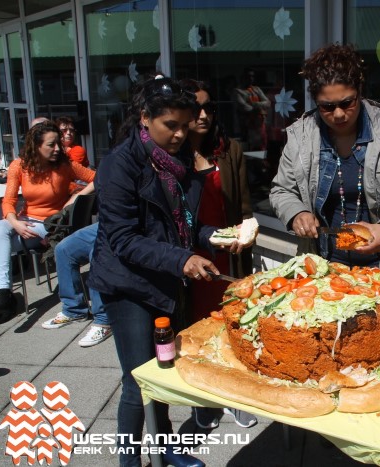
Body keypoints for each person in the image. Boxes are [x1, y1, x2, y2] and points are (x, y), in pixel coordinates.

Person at [88, 75, 220, 467]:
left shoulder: (178, 161)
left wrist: (219, 237)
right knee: (137, 382)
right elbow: (124, 239)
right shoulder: (118, 166)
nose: (180, 134)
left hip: (164, 280)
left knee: (162, 375)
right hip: (127, 286)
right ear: (145, 118)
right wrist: (182, 259)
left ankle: (166, 451)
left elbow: (184, 226)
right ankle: (129, 462)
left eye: (186, 124)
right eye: (171, 125)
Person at [269, 43, 380, 270]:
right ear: (315, 101)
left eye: (347, 103)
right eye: (327, 106)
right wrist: (297, 213)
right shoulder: (300, 136)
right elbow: (282, 190)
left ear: (360, 92)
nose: (338, 114)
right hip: (325, 263)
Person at [179, 78, 257, 430]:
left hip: (227, 253)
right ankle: (204, 398)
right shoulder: (169, 155)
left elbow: (242, 207)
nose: (204, 114)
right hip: (186, 257)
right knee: (195, 330)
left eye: (209, 107)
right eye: (195, 107)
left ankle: (235, 394)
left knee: (232, 323)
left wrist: (247, 233)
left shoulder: (229, 150)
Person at [0, 121, 95, 318]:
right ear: (36, 146)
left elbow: (98, 177)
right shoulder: (19, 166)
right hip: (23, 219)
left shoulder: (64, 166)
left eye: (58, 143)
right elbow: (9, 201)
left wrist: (77, 196)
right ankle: (4, 292)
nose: (58, 148)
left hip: (48, 223)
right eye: (51, 144)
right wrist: (16, 222)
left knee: (2, 242)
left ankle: (3, 299)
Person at [41, 222, 111, 348]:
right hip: (107, 220)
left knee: (98, 253)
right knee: (63, 249)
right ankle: (74, 310)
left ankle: (104, 321)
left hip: (135, 220)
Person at [233, 68, 270, 142]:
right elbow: (245, 107)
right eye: (248, 76)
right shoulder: (238, 91)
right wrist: (259, 108)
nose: (251, 79)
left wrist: (255, 104)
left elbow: (268, 103)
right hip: (247, 126)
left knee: (262, 145)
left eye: (252, 76)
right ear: (243, 78)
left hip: (260, 124)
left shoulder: (256, 89)